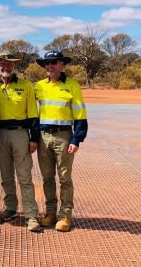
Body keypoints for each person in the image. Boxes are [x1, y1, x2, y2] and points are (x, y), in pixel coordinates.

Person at [34, 50, 88, 232]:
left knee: (65, 178)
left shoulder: (72, 86)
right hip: (43, 137)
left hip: (64, 136)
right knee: (47, 178)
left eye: (54, 62)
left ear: (62, 65)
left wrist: (77, 138)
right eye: (47, 63)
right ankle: (50, 213)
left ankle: (65, 215)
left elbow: (80, 114)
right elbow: (30, 112)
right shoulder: (38, 86)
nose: (50, 66)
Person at [0, 51, 41, 232]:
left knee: (24, 177)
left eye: (10, 64)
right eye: (3, 64)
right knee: (6, 176)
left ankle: (31, 215)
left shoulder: (26, 86)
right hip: (0, 134)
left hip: (21, 134)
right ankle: (10, 208)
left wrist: (34, 139)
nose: (6, 67)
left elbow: (34, 115)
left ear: (14, 67)